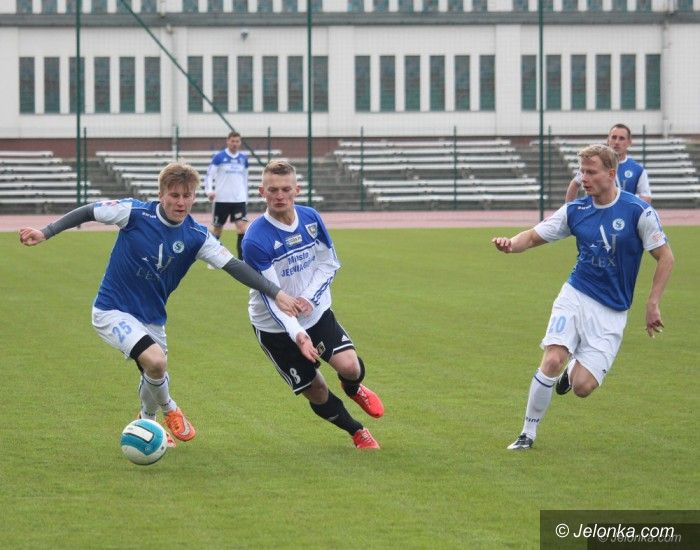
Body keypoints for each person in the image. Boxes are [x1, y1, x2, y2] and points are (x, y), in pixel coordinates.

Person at [19, 162, 310, 448]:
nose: (180, 202)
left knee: (154, 371)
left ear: (194, 198)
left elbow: (234, 266)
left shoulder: (197, 236)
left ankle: (147, 422)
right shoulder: (134, 213)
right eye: (174, 195)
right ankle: (170, 408)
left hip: (153, 317)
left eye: (187, 196)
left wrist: (276, 293)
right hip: (112, 309)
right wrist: (46, 232)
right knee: (156, 361)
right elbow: (90, 211)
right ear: (161, 195)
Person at [493, 144, 673, 450]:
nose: (583, 179)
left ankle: (574, 367)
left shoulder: (637, 212)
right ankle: (527, 434)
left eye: (591, 172)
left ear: (611, 174)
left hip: (612, 311)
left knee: (582, 387)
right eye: (582, 172)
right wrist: (511, 243)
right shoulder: (575, 211)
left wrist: (652, 302)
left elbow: (665, 257)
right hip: (576, 294)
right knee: (552, 358)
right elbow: (534, 236)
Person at [242, 160, 385, 450]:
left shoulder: (310, 217)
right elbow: (274, 298)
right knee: (317, 390)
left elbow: (329, 263)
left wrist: (308, 297)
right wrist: (298, 334)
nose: (279, 195)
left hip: (315, 313)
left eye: (286, 189)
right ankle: (356, 431)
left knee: (351, 367)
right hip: (275, 327)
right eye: (273, 190)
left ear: (297, 189)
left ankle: (353, 388)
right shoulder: (254, 239)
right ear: (261, 192)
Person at [564, 124, 652, 204]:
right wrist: (569, 211)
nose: (616, 142)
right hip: (595, 214)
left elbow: (646, 197)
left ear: (629, 142)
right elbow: (575, 184)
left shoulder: (637, 169)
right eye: (614, 137)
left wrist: (630, 210)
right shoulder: (594, 164)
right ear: (608, 140)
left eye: (621, 138)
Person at [204, 131, 250, 260]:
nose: (235, 144)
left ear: (240, 143)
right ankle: (211, 257)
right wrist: (209, 191)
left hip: (239, 200)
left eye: (237, 141)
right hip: (221, 200)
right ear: (228, 141)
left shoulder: (243, 159)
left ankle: (242, 260)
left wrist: (246, 197)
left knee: (242, 228)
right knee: (217, 230)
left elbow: (245, 179)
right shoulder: (219, 157)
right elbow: (209, 176)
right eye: (232, 141)